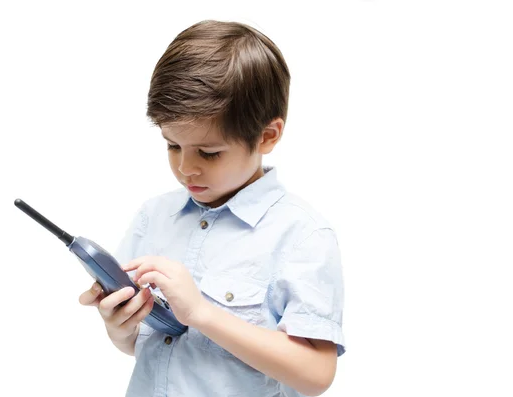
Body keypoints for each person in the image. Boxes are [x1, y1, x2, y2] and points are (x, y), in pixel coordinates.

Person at [78, 20, 346, 397]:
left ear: (268, 136)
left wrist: (202, 314)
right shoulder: (153, 217)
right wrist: (120, 327)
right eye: (172, 146)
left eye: (209, 152)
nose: (186, 168)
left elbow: (316, 373)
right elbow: (142, 345)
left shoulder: (301, 236)